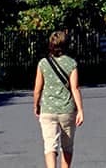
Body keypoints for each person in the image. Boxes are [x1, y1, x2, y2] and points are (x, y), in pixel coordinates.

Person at [33, 30, 84, 168]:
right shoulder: (71, 64)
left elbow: (37, 89)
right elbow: (75, 88)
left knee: (50, 145)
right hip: (67, 110)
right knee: (67, 146)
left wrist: (36, 105)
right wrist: (80, 110)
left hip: (48, 109)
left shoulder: (43, 63)